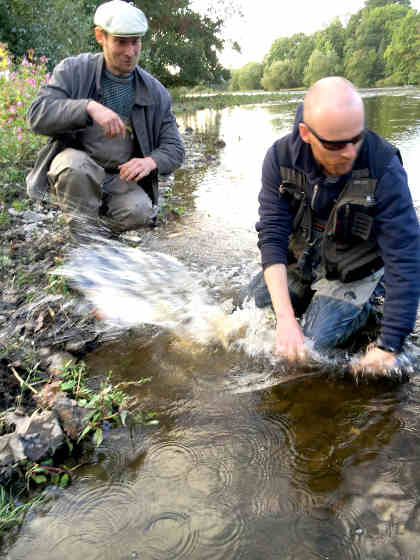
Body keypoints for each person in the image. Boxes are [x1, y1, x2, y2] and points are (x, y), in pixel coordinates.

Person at [247, 76, 420, 372]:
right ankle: (302, 297)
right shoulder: (279, 158)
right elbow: (272, 237)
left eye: (357, 138)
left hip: (355, 273)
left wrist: (389, 343)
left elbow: (405, 256)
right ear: (306, 133)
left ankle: (370, 310)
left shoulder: (384, 167)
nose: (350, 152)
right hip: (304, 260)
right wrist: (286, 318)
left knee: (314, 345)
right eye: (337, 144)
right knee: (250, 309)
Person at [26, 0, 185, 240]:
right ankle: (84, 237)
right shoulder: (73, 70)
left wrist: (150, 161)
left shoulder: (156, 92)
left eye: (135, 42)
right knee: (75, 167)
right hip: (78, 169)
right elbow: (37, 115)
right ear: (100, 36)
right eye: (121, 42)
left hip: (118, 179)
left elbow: (174, 148)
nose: (130, 52)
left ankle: (95, 232)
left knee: (140, 212)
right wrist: (87, 107)